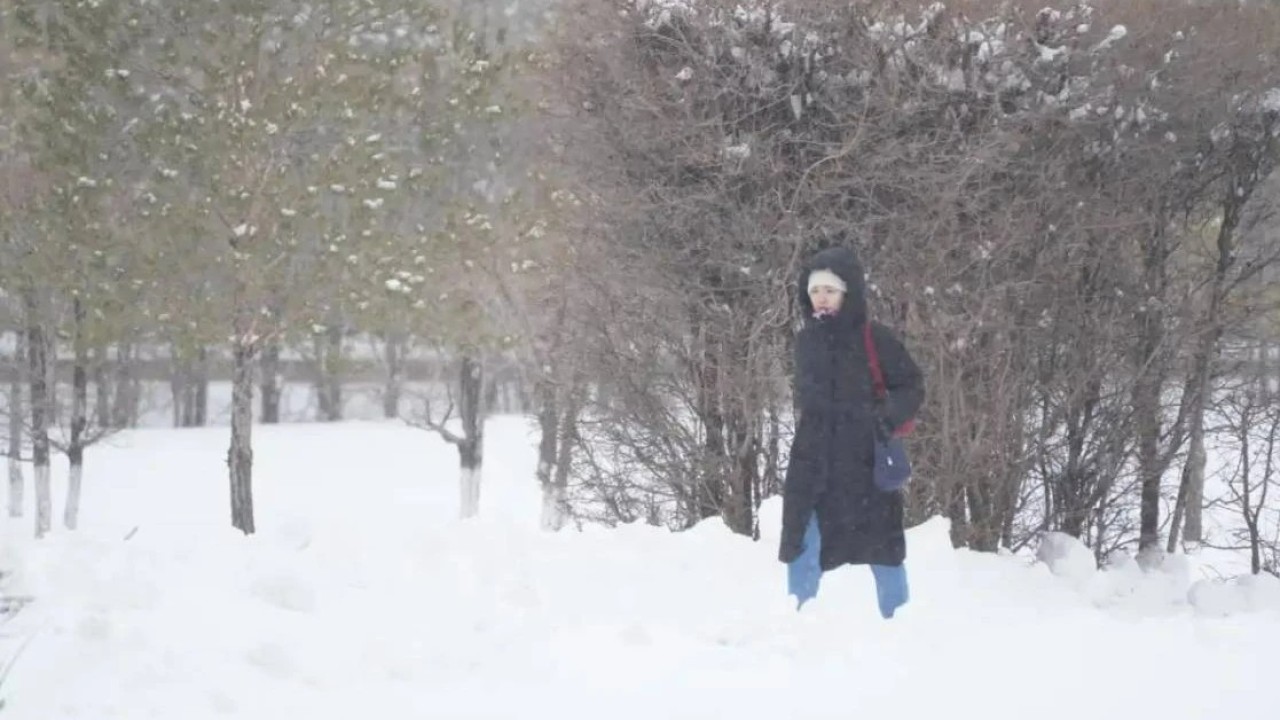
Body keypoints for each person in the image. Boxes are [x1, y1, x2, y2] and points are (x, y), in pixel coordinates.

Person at [779, 244, 925, 618]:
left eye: (830, 290)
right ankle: (797, 623)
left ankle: (900, 623)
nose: (821, 297)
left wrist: (886, 418)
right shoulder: (805, 341)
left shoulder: (875, 338)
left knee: (883, 549)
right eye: (814, 290)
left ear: (848, 292)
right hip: (814, 461)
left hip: (864, 459)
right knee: (801, 540)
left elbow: (910, 385)